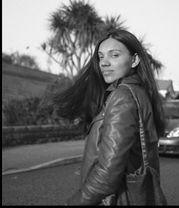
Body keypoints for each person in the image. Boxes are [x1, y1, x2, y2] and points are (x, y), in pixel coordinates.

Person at [54, 29, 166, 205]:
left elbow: (108, 172)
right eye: (101, 56)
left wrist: (75, 202)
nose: (104, 63)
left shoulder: (122, 96)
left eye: (114, 55)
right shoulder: (139, 92)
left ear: (134, 60)